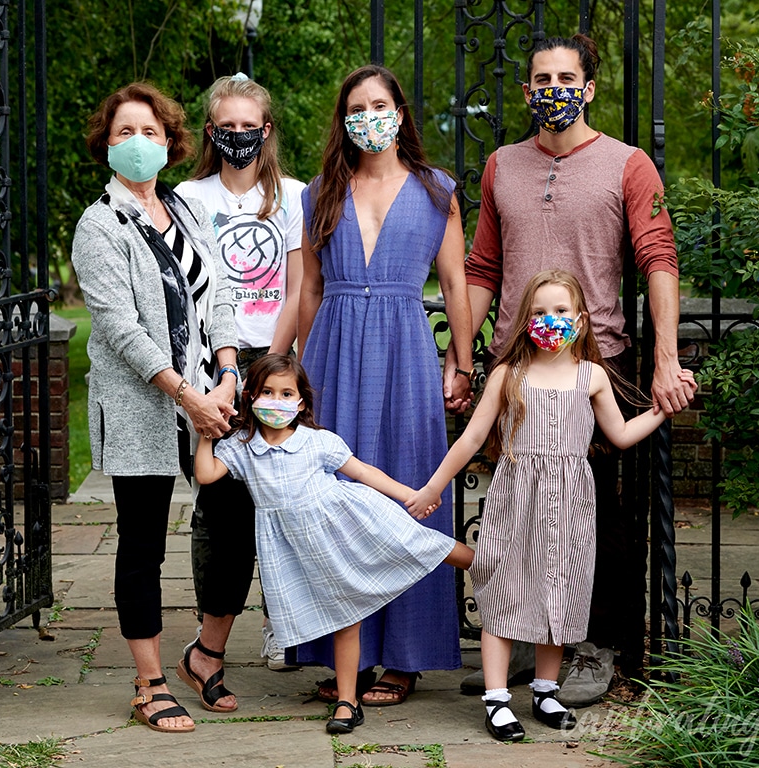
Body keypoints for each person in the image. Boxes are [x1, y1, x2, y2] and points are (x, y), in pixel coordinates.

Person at [447, 33, 696, 702]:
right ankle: (530, 640)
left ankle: (595, 647)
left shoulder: (628, 165)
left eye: (566, 77)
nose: (553, 88)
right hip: (515, 366)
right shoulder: (501, 165)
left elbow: (659, 259)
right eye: (541, 78)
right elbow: (481, 268)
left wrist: (665, 358)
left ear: (587, 88)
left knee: (594, 516)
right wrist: (464, 356)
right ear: (527, 91)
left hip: (596, 362)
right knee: (518, 510)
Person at [411, 270, 696, 740]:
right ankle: (498, 701)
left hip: (571, 502)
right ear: (526, 322)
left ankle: (545, 690)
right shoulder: (509, 375)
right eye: (541, 312)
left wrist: (663, 408)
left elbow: (620, 436)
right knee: (503, 592)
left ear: (581, 321)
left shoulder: (592, 376)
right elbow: (473, 438)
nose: (551, 320)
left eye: (562, 311)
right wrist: (434, 487)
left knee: (558, 594)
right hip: (515, 498)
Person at [295, 64, 475, 706]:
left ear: (399, 113)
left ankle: (406, 655)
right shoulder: (320, 190)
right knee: (336, 498)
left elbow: (454, 282)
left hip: (405, 350)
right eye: (356, 107)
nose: (368, 115)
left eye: (379, 104)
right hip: (334, 353)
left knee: (407, 488)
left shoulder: (436, 190)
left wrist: (461, 359)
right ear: (345, 122)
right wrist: (297, 372)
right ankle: (345, 653)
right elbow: (310, 289)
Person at [71, 82, 239, 733]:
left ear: (170, 142)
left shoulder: (186, 210)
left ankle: (206, 653)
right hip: (148, 404)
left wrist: (225, 372)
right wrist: (186, 395)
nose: (138, 143)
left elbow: (218, 293)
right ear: (106, 145)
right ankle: (148, 682)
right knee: (142, 543)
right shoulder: (99, 225)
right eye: (124, 133)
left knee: (230, 518)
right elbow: (120, 328)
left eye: (149, 131)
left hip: (207, 394)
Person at [193, 354, 474, 734]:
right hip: (303, 550)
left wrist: (412, 495)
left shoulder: (317, 441)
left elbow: (362, 471)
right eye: (267, 392)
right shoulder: (243, 448)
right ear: (250, 397)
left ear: (301, 401)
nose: (276, 401)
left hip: (350, 524)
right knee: (345, 620)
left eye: (286, 392)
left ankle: (490, 566)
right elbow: (207, 474)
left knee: (422, 543)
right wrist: (207, 430)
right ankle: (347, 702)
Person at [174, 72, 306, 682]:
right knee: (223, 503)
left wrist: (275, 367)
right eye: (226, 127)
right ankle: (211, 638)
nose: (238, 136)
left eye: (248, 126)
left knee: (288, 498)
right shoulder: (187, 199)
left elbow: (301, 286)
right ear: (210, 131)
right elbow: (189, 294)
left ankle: (289, 625)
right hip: (212, 370)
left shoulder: (296, 197)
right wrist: (229, 373)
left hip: (278, 366)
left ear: (267, 130)